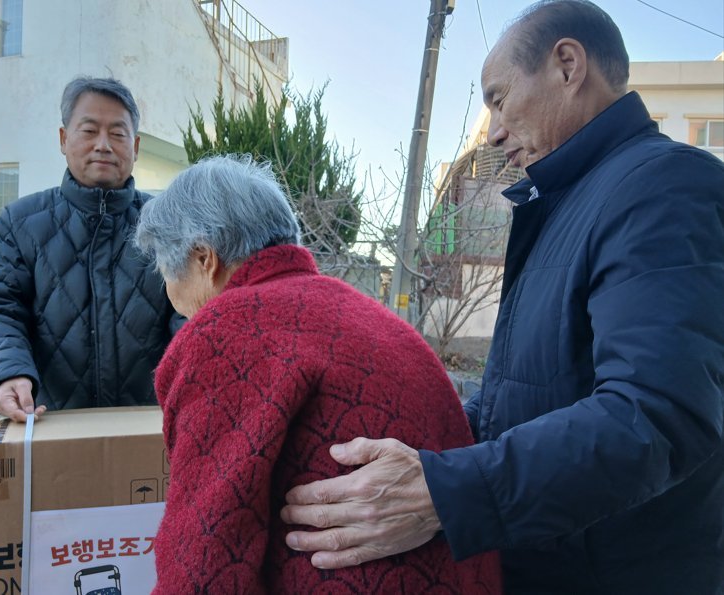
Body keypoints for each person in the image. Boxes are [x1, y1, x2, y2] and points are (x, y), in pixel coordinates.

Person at [279, 1, 724, 593]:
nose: (493, 132)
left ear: (568, 66)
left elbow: (655, 415)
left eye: (498, 98)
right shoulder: (563, 205)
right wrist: (421, 443)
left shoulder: (662, 186)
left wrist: (444, 493)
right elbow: (523, 397)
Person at [134, 155, 502, 593]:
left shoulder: (227, 330)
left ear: (204, 259)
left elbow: (205, 556)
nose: (170, 293)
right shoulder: (364, 313)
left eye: (166, 273)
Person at [0, 76, 176, 423]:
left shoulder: (168, 224)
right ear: (64, 139)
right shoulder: (21, 223)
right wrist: (7, 372)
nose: (103, 145)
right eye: (89, 130)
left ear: (135, 146)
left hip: (153, 426)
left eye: (118, 133)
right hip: (48, 424)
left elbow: (195, 314)